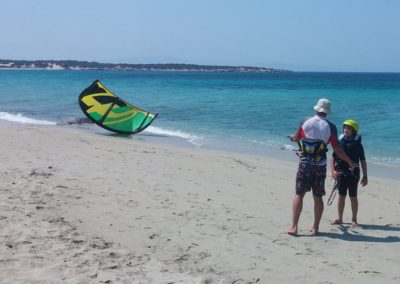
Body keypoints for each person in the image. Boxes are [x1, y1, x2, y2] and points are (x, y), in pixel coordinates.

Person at [287, 98, 358, 236]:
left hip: (304, 164)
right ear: (327, 112)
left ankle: (294, 227)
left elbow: (297, 138)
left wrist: (292, 138)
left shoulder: (304, 121)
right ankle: (315, 227)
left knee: (299, 194)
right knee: (317, 197)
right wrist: (350, 162)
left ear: (316, 109)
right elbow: (337, 150)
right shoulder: (331, 127)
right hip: (319, 167)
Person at [330, 119, 368, 227]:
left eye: (349, 128)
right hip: (341, 173)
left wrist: (365, 176)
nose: (346, 130)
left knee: (353, 197)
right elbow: (332, 158)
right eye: (345, 128)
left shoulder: (358, 145)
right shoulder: (340, 143)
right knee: (341, 196)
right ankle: (340, 218)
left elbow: (363, 161)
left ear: (354, 131)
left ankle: (354, 220)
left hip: (353, 174)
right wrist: (333, 171)